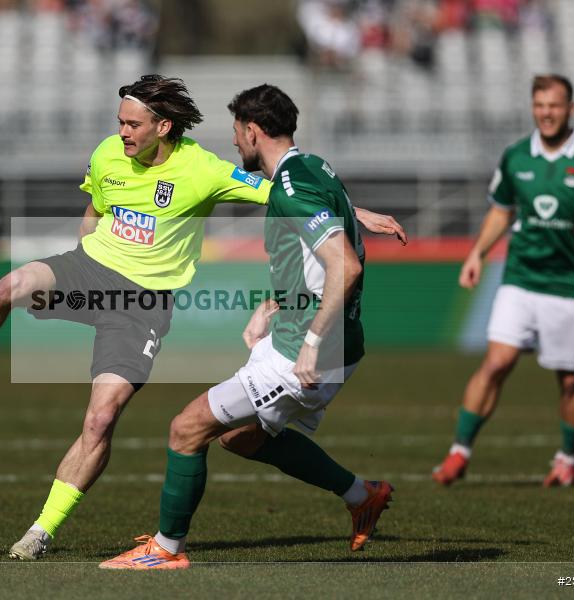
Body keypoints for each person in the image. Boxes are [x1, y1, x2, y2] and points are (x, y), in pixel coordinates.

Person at [0, 74, 405, 560]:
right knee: (7, 287)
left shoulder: (204, 170)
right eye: (119, 123)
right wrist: (76, 265)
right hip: (89, 271)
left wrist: (352, 212)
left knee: (102, 418)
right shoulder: (108, 154)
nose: (121, 133)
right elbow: (95, 211)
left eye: (132, 124)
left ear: (163, 125)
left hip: (141, 307)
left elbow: (286, 192)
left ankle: (41, 531)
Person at [99, 84, 399, 570]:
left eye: (238, 134)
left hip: (307, 348)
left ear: (253, 131)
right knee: (239, 437)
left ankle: (166, 548)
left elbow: (345, 266)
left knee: (185, 428)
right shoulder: (314, 167)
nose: (236, 144)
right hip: (315, 337)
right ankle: (361, 495)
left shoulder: (292, 184)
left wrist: (311, 344)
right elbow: (317, 259)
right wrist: (273, 303)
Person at [432, 74, 574, 487]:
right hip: (521, 278)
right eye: (539, 105)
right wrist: (477, 253)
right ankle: (458, 452)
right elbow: (501, 211)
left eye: (554, 105)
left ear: (570, 109)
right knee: (497, 361)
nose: (546, 113)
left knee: (572, 379)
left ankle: (568, 458)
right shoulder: (516, 156)